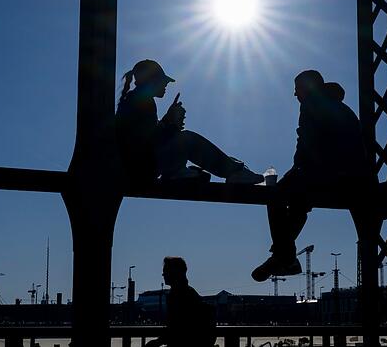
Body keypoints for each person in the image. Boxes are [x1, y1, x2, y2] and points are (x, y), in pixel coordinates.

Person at [252, 70, 367, 282]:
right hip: (351, 177)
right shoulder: (339, 107)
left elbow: (308, 145)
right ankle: (283, 257)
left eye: (297, 89)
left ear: (308, 88)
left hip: (327, 173)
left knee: (274, 194)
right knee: (297, 201)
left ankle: (284, 256)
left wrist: (297, 170)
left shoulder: (311, 106)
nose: (295, 94)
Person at [116, 59, 264, 186]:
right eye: (164, 81)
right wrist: (170, 122)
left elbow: (149, 137)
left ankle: (180, 172)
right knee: (188, 139)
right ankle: (234, 171)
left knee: (196, 166)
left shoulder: (135, 100)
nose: (166, 86)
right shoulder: (141, 102)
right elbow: (147, 143)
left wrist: (170, 123)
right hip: (141, 170)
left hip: (139, 168)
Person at [145, 256, 216, 347]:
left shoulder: (178, 295)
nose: (163, 275)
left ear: (174, 273)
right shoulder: (189, 292)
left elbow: (178, 328)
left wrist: (158, 341)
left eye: (166, 271)